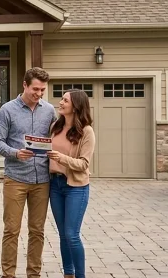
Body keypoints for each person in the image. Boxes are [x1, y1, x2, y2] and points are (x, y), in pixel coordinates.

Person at [0, 67, 54, 278]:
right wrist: (16, 153)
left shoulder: (49, 110)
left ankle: (34, 274)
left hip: (42, 180)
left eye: (42, 90)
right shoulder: (7, 110)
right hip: (16, 178)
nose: (39, 94)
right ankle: (8, 274)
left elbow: (58, 137)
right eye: (35, 89)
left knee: (37, 230)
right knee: (12, 230)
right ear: (25, 85)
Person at [46, 89, 96, 278]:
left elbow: (84, 164)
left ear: (75, 106)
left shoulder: (86, 131)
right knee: (62, 234)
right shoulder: (55, 127)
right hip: (55, 185)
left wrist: (61, 158)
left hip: (76, 187)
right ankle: (68, 274)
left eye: (65, 100)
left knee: (71, 234)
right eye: (62, 99)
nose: (60, 102)